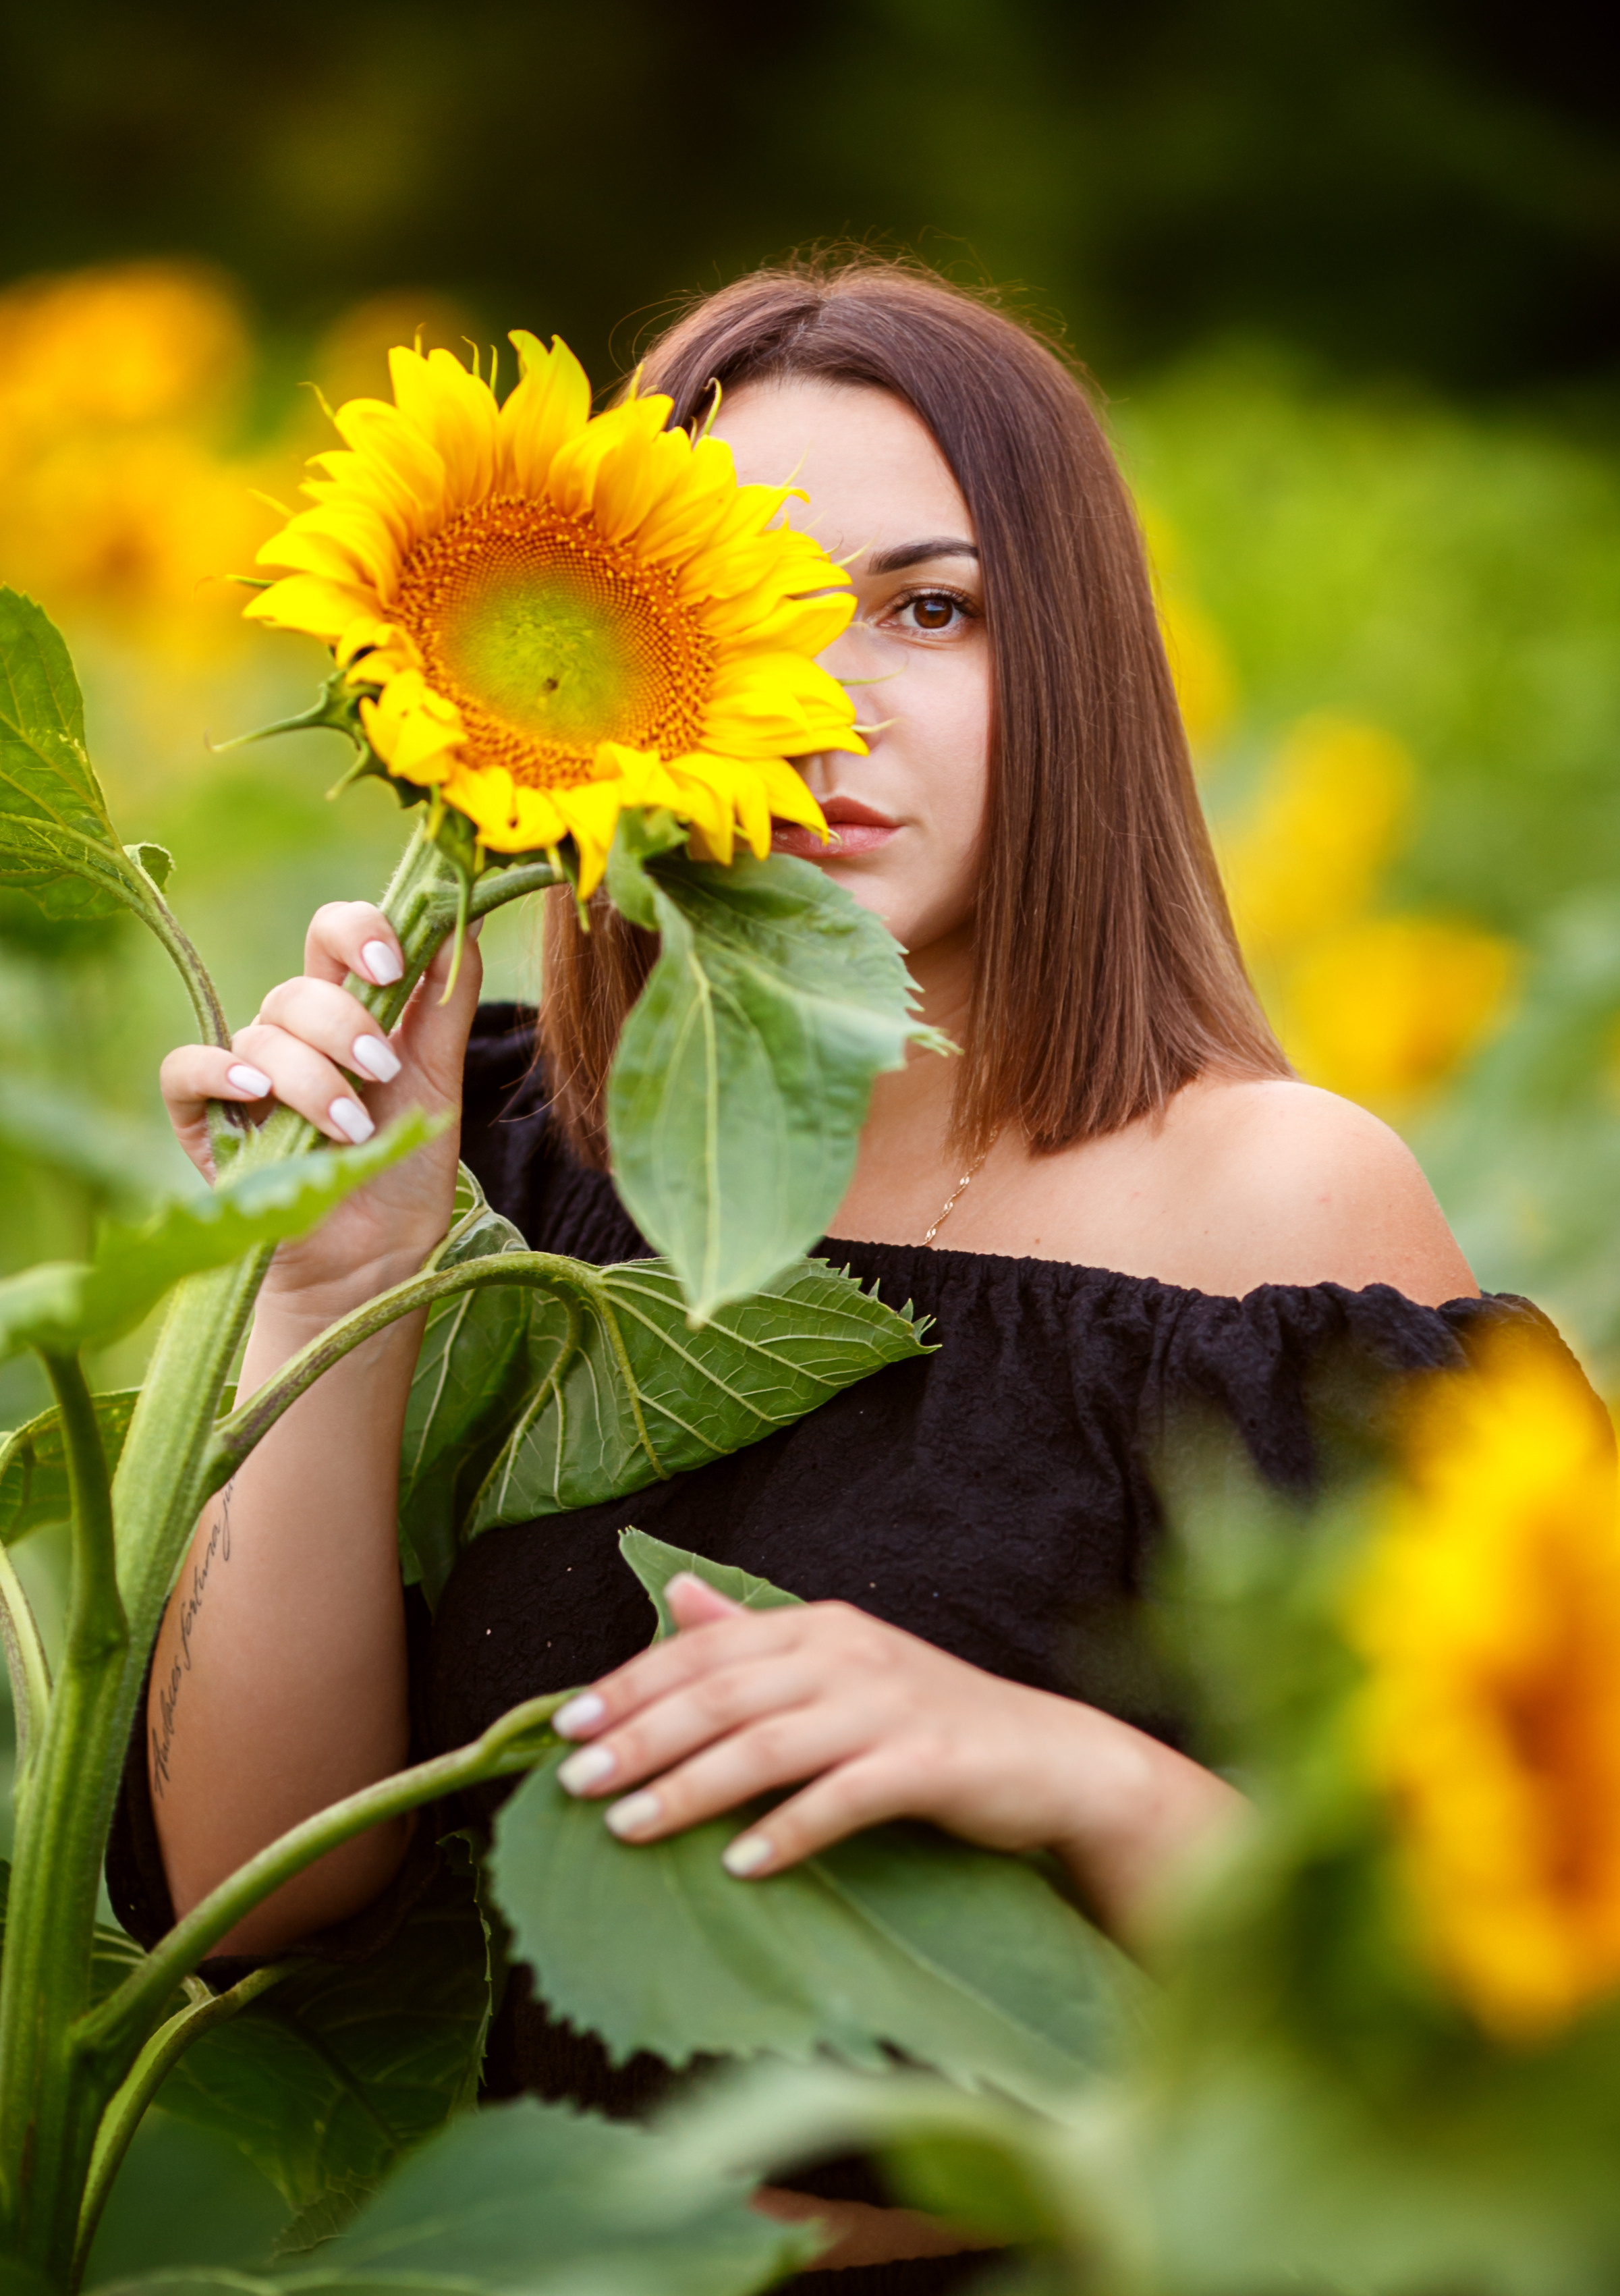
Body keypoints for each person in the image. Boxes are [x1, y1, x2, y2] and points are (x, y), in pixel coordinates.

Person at [116, 258, 1519, 2287]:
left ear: (1085, 665)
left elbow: (1486, 2006)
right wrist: (331, 1290)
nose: (826, 695)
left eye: (929, 607)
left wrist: (1066, 1769)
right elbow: (254, 1893)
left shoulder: (1270, 1218)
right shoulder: (521, 1140)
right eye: (753, 611)